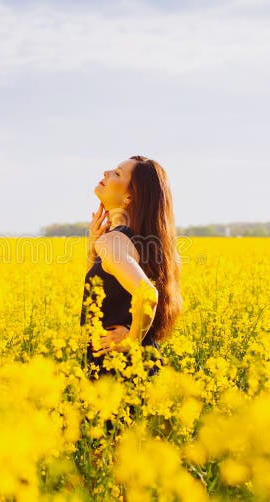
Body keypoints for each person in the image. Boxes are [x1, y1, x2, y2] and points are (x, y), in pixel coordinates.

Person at [79, 155, 183, 381]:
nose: (106, 172)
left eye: (117, 173)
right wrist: (93, 245)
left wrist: (130, 340)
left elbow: (147, 294)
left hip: (117, 374)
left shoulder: (112, 243)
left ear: (129, 197)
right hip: (139, 367)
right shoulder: (139, 240)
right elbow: (103, 292)